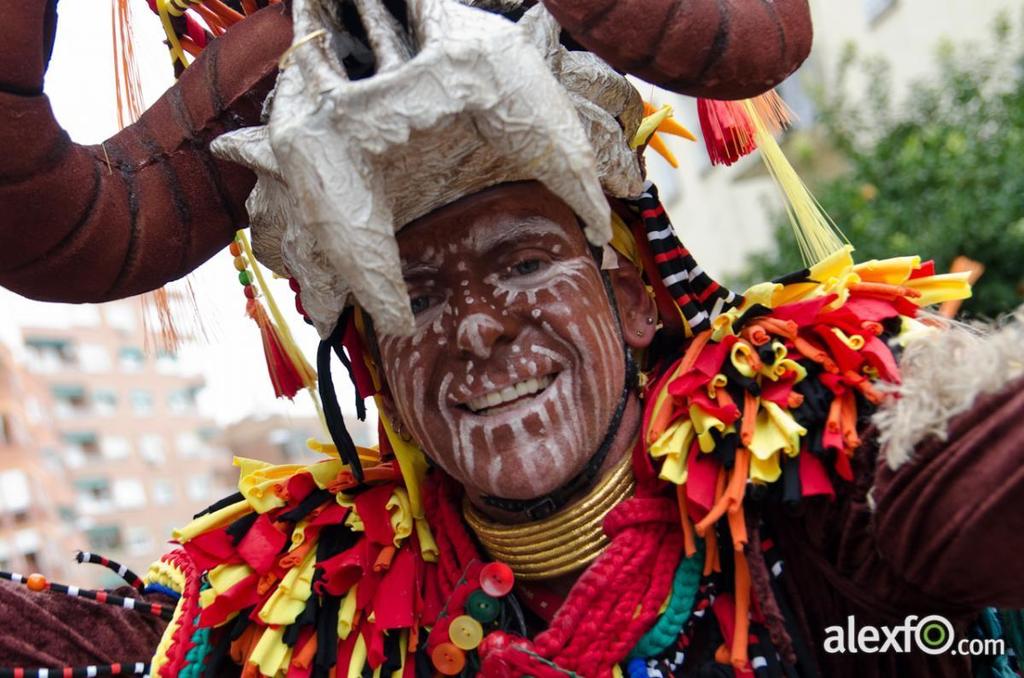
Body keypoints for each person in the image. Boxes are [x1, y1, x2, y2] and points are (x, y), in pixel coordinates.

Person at [0, 0, 1022, 677]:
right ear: (382, 380)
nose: (479, 327)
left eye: (527, 263)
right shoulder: (297, 615)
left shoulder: (805, 474)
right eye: (414, 292)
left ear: (630, 299)